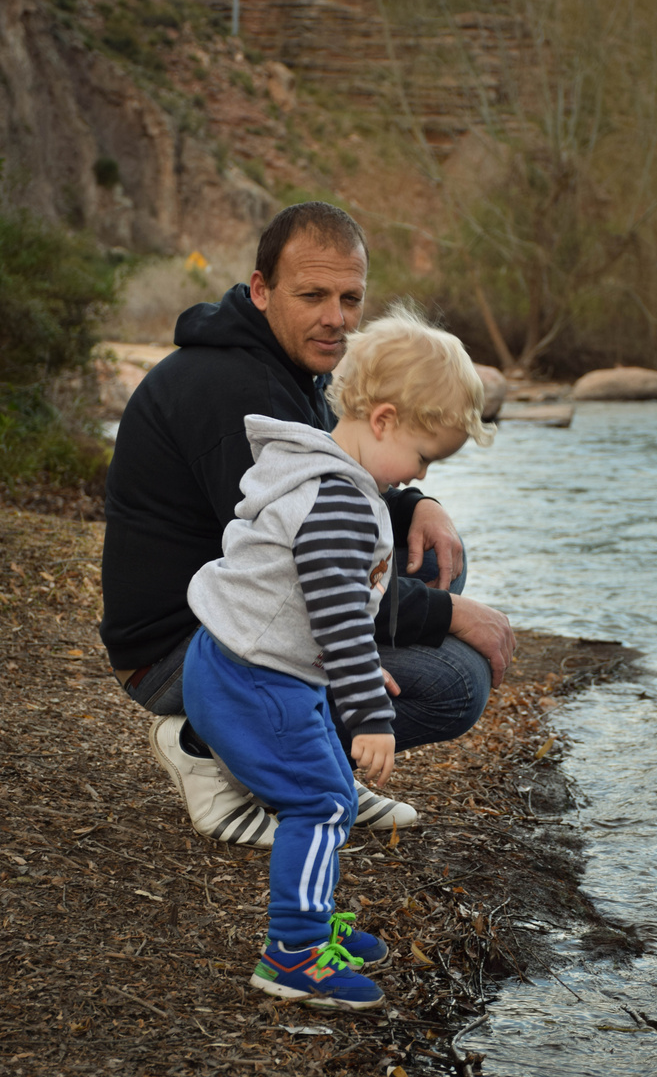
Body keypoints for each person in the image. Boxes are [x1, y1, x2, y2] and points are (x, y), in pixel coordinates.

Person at [99, 201, 515, 848]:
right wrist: (452, 615)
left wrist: (414, 506)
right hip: (183, 649)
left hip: (246, 614)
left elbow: (328, 479)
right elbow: (312, 565)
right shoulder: (238, 389)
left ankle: (308, 762)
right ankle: (203, 744)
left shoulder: (290, 370)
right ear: (261, 290)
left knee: (426, 560)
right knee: (456, 685)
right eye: (313, 294)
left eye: (350, 298)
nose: (336, 317)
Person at [183, 307, 495, 1008]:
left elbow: (325, 606)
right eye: (423, 458)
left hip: (232, 656)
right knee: (323, 802)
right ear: (382, 420)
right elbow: (332, 613)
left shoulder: (310, 466)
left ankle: (315, 920)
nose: (418, 475)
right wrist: (369, 711)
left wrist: (348, 669)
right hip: (255, 676)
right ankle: (293, 953)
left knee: (320, 785)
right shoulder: (343, 504)